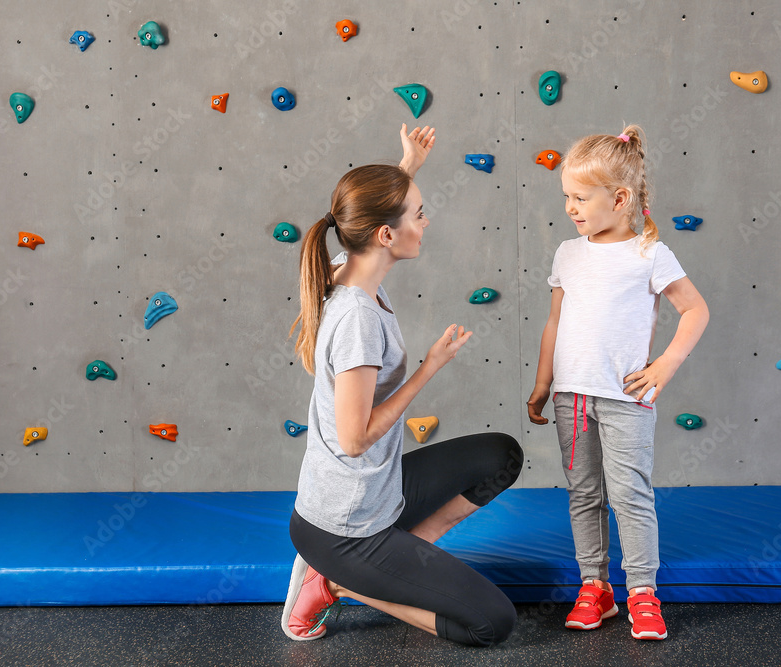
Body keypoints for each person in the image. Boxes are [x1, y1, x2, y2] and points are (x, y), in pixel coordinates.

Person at [282, 123, 524, 647]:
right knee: (490, 623)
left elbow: (367, 217)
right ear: (386, 236)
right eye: (418, 214)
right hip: (342, 532)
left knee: (501, 454)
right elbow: (354, 439)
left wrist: (408, 165)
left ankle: (403, 559)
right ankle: (344, 581)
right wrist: (429, 368)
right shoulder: (356, 321)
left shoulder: (343, 266)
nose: (426, 220)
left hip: (379, 493)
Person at [526, 125, 709, 641]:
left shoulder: (649, 253)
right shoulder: (568, 252)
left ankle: (643, 594)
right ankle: (595, 588)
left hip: (625, 398)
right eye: (567, 197)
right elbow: (555, 322)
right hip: (572, 398)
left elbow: (694, 309)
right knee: (584, 494)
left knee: (630, 495)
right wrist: (544, 384)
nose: (571, 208)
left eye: (581, 198)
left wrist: (664, 367)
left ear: (621, 198)